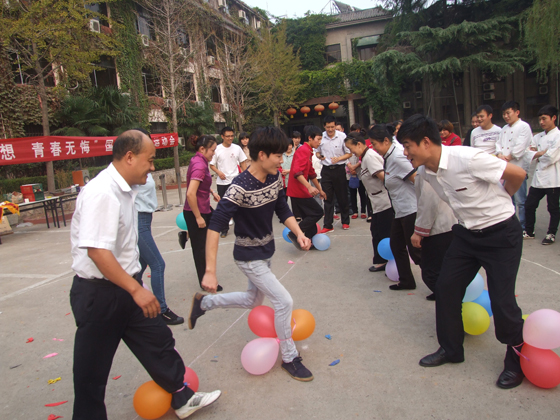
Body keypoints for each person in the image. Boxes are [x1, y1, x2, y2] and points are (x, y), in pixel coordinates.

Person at [70, 130, 220, 420]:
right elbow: (98, 252)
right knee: (92, 370)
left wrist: (136, 284)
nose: (152, 167)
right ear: (129, 157)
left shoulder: (125, 188)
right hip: (101, 295)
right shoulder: (102, 193)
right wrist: (136, 289)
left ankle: (182, 397)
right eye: (149, 160)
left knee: (158, 341)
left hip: (127, 287)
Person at [397, 114, 527, 389]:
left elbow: (518, 174)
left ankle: (516, 360)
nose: (405, 152)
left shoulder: (467, 158)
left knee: (503, 302)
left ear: (426, 142)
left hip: (501, 234)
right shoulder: (425, 173)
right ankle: (451, 350)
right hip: (466, 235)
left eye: (407, 146)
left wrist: (502, 200)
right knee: (445, 287)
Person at [188, 127, 315, 382]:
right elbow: (215, 227)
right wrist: (210, 271)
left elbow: (282, 208)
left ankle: (204, 303)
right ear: (261, 155)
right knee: (283, 301)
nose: (282, 160)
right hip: (248, 255)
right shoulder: (238, 188)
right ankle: (289, 357)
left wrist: (299, 233)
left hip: (266, 251)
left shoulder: (274, 177)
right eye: (278, 155)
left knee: (252, 300)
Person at [368, 124, 421, 290]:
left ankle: (438, 284)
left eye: (375, 144)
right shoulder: (389, 156)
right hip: (399, 211)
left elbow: (418, 180)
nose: (374, 149)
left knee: (417, 252)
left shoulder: (397, 157)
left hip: (410, 210)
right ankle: (407, 280)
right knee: (397, 246)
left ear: (385, 141)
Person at [136, 172, 184, 325]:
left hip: (145, 219)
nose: (152, 165)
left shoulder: (145, 171)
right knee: (157, 264)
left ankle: (126, 298)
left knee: (141, 264)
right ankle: (161, 310)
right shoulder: (131, 173)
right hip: (138, 221)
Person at [344, 132, 393, 272]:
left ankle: (387, 260)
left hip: (384, 201)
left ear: (359, 144)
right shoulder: (364, 158)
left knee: (383, 232)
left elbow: (384, 178)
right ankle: (381, 260)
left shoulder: (370, 157)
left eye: (351, 148)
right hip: (376, 201)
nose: (351, 152)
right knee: (376, 231)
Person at [410, 166, 456, 301]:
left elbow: (429, 204)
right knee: (441, 268)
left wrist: (419, 231)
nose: (406, 153)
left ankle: (449, 304)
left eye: (408, 147)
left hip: (438, 228)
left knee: (431, 272)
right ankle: (445, 298)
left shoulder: (427, 172)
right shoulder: (431, 169)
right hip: (446, 225)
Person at [184, 135, 223, 292]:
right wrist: (198, 217)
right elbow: (190, 194)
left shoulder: (198, 160)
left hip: (204, 208)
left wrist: (211, 191)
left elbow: (200, 185)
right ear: (202, 149)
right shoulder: (200, 165)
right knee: (201, 249)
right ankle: (205, 281)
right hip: (197, 212)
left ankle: (187, 234)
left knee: (213, 232)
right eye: (212, 150)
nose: (213, 153)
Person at [523, 105, 560, 245]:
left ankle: (551, 233)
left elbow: (551, 158)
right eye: (540, 119)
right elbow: (528, 154)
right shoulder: (537, 136)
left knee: (553, 208)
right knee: (529, 205)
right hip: (538, 179)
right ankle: (529, 231)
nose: (541, 122)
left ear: (553, 118)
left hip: (553, 179)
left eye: (544, 118)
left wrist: (537, 154)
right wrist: (540, 153)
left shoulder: (558, 136)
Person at [495, 101, 533, 231]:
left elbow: (520, 146)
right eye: (504, 114)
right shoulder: (504, 129)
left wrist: (509, 156)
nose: (506, 116)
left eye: (508, 113)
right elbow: (498, 143)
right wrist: (499, 153)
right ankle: (511, 225)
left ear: (517, 112)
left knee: (521, 200)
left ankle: (523, 226)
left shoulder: (524, 126)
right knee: (508, 198)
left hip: (518, 167)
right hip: (505, 167)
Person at [287, 125, 326, 242]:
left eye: (320, 139)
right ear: (310, 138)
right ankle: (295, 233)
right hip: (299, 191)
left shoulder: (308, 151)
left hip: (299, 190)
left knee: (309, 217)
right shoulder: (303, 150)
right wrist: (309, 187)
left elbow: (311, 173)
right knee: (318, 212)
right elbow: (297, 172)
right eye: (318, 139)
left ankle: (310, 241)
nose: (319, 142)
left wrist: (320, 189)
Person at [209, 126, 248, 238]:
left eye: (232, 136)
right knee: (223, 207)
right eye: (227, 136)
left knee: (240, 206)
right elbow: (212, 164)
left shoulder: (237, 148)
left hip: (236, 181)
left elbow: (243, 163)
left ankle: (241, 228)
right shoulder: (217, 149)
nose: (230, 138)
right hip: (222, 182)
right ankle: (224, 228)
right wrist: (219, 172)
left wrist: (246, 177)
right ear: (222, 136)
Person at [317, 115, 352, 233]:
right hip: (326, 170)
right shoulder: (320, 137)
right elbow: (317, 152)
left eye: (332, 127)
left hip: (339, 169)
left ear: (335, 126)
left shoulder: (342, 136)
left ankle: (345, 221)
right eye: (328, 127)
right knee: (327, 197)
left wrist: (339, 158)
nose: (330, 129)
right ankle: (328, 224)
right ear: (324, 126)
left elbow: (349, 153)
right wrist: (320, 156)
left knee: (342, 196)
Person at [347, 123, 373, 220]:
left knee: (363, 192)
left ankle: (363, 211)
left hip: (361, 171)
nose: (352, 151)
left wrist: (356, 166)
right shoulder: (347, 143)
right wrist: (350, 167)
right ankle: (355, 211)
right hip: (350, 172)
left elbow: (363, 158)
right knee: (352, 192)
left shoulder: (368, 151)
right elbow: (345, 156)